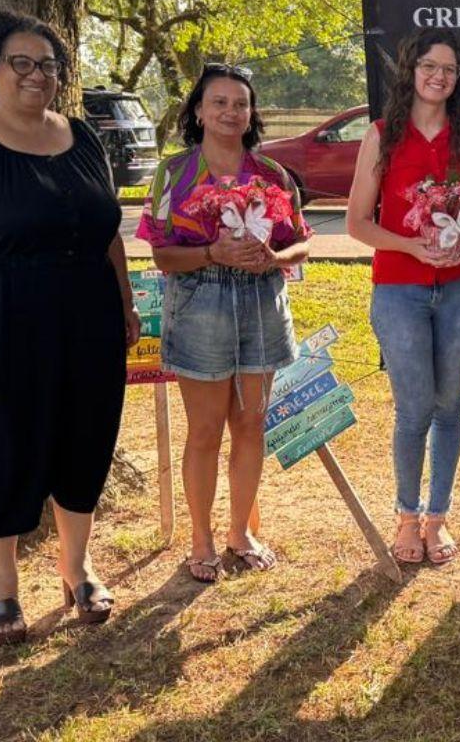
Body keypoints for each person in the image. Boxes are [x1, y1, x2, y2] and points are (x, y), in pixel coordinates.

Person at [0, 11, 137, 643]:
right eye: (20, 62)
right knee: (6, 442)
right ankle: (1, 584)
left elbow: (108, 235)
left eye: (47, 64)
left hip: (90, 316)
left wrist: (124, 303)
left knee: (86, 435)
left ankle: (78, 569)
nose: (35, 74)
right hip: (3, 315)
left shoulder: (82, 136)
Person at [139, 64, 310, 583]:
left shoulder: (273, 176)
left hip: (261, 301)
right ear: (198, 110)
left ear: (252, 113)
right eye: (219, 102)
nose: (231, 112)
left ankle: (240, 531)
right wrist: (213, 252)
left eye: (241, 103)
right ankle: (201, 539)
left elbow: (302, 244)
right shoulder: (174, 173)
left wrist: (275, 259)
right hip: (200, 305)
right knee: (206, 430)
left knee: (251, 424)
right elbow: (164, 257)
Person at [347, 29, 460, 566]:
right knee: (414, 412)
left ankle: (438, 517)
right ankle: (407, 516)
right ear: (411, 72)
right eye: (430, 66)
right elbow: (357, 223)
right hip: (399, 291)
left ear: (458, 80)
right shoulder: (380, 135)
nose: (439, 76)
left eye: (449, 69)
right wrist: (412, 244)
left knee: (450, 408)